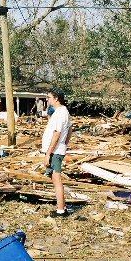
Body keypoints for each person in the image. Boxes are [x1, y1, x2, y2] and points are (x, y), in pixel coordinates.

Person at [41, 88, 72, 217]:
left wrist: (49, 153)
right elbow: (70, 129)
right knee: (55, 178)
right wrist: (65, 143)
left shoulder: (60, 113)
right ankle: (62, 207)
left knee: (57, 179)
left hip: (55, 152)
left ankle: (60, 210)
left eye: (49, 97)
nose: (47, 99)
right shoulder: (63, 112)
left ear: (56, 98)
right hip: (58, 149)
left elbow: (57, 133)